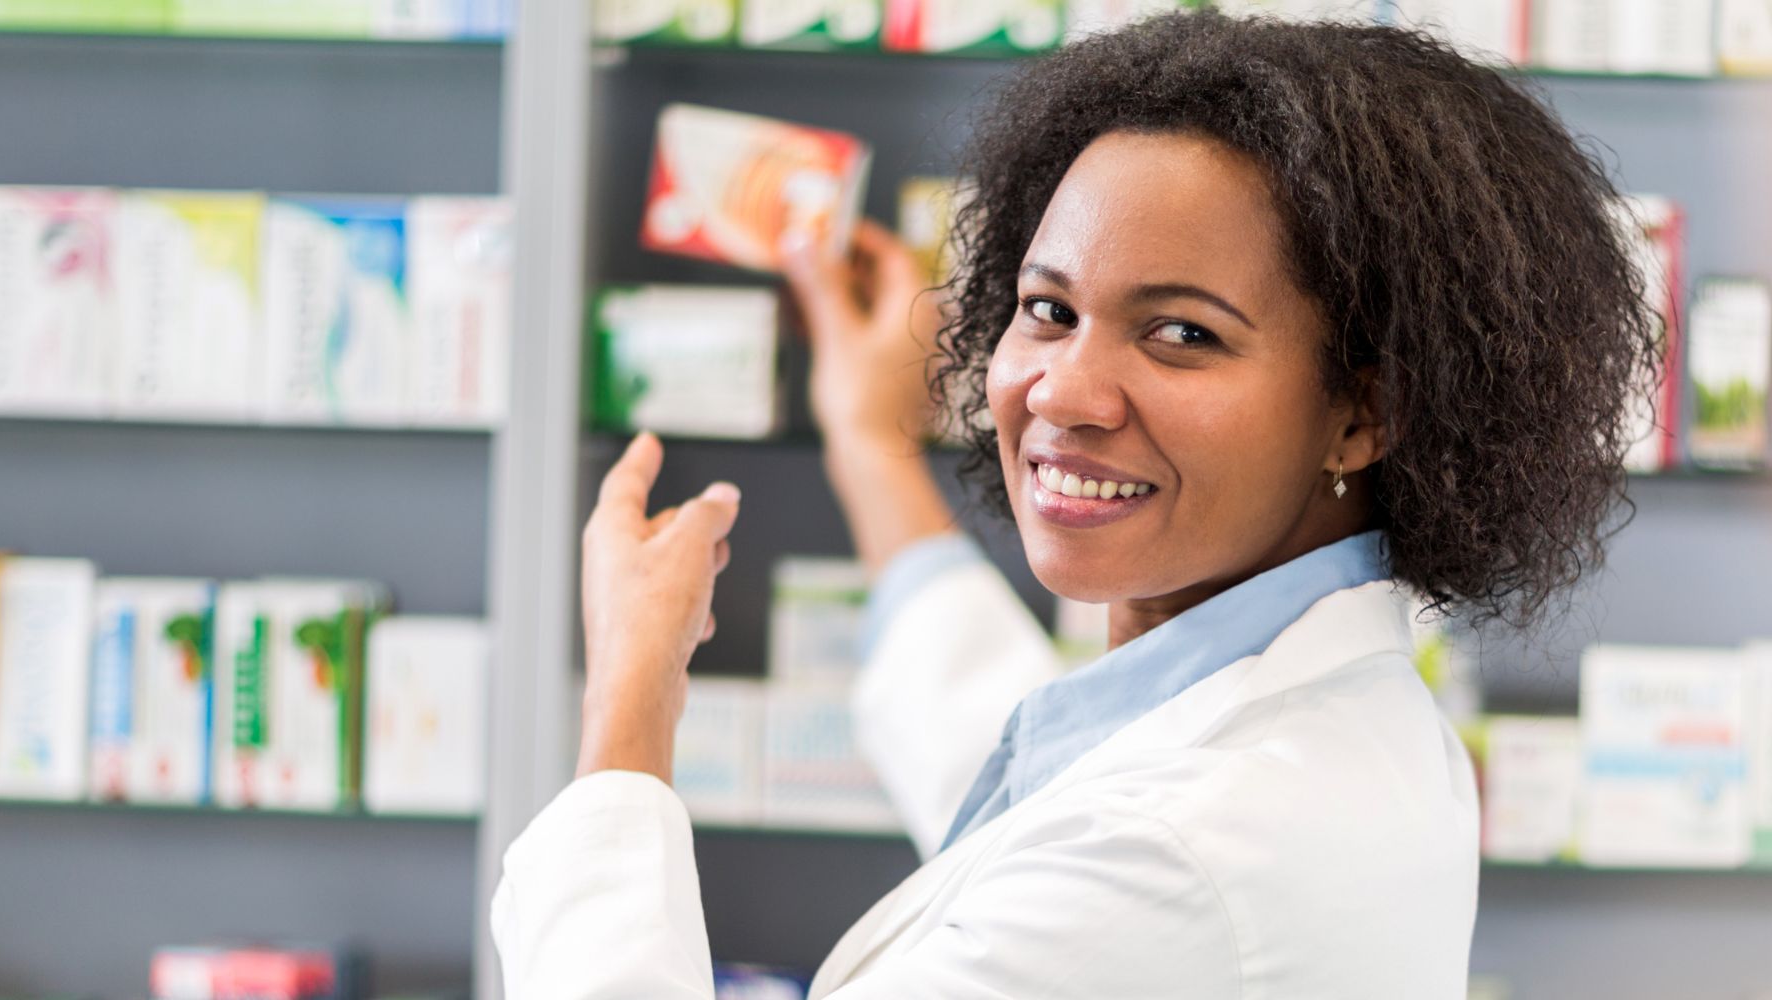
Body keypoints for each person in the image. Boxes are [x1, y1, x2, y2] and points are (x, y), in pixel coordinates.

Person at [492, 10, 1655, 999]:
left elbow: (1108, 847)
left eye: (1181, 332)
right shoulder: (1285, 715)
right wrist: (867, 440)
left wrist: (627, 711)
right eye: (1046, 308)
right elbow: (1020, 764)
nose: (1061, 388)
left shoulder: (1186, 846)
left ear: (1364, 409)